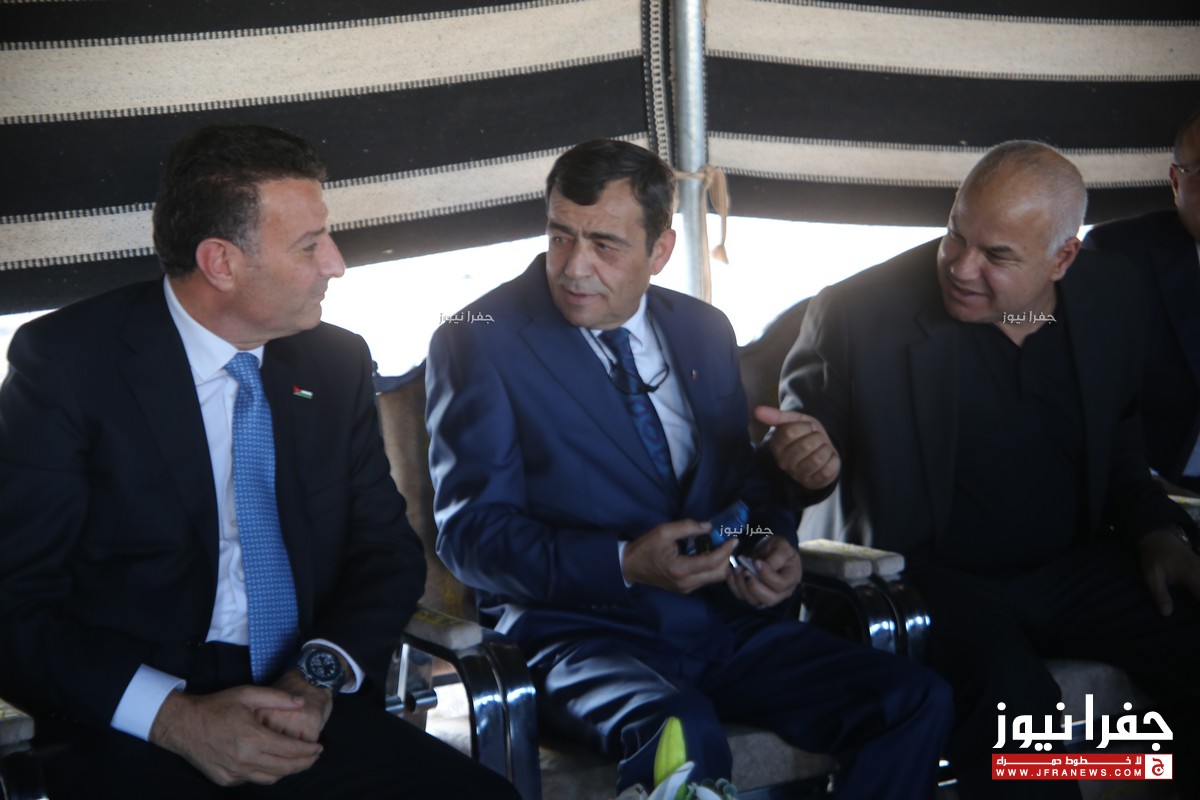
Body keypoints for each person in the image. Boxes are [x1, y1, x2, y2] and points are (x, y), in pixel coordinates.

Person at [0, 124, 521, 799]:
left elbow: (385, 553)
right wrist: (174, 719)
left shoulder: (333, 362)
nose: (336, 264)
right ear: (221, 263)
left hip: (307, 704)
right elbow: (15, 602)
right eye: (309, 245)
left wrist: (318, 676)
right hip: (134, 724)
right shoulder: (69, 365)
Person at [425, 138, 952, 798]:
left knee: (912, 699)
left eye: (605, 245)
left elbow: (739, 496)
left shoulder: (703, 329)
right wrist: (624, 563)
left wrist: (770, 550)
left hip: (720, 626)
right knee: (679, 731)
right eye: (561, 236)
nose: (574, 267)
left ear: (661, 250)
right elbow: (471, 537)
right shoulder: (478, 338)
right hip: (581, 640)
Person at [764, 140, 1200, 799]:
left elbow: (1120, 435)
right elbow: (791, 465)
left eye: (997, 255)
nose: (962, 267)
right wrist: (802, 466)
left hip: (1068, 569)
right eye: (955, 235)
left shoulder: (1109, 294)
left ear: (1063, 257)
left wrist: (1156, 530)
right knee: (1018, 711)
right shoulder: (857, 313)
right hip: (926, 578)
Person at [1083, 107, 1200, 494]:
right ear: (1176, 181)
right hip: (1157, 490)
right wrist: (1142, 485)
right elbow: (1080, 387)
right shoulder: (1117, 254)